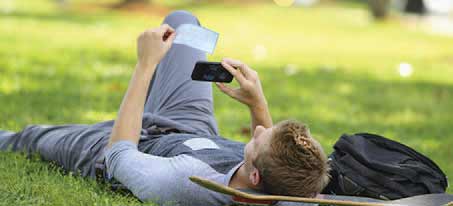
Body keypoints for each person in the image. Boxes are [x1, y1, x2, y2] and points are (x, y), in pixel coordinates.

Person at [0, 11, 329, 206]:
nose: (257, 128)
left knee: (31, 138)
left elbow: (119, 156)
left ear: (253, 176)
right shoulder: (280, 183)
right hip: (193, 129)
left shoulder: (184, 180)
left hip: (122, 144)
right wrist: (258, 101)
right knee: (183, 23)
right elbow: (280, 174)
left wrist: (145, 65)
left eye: (259, 139)